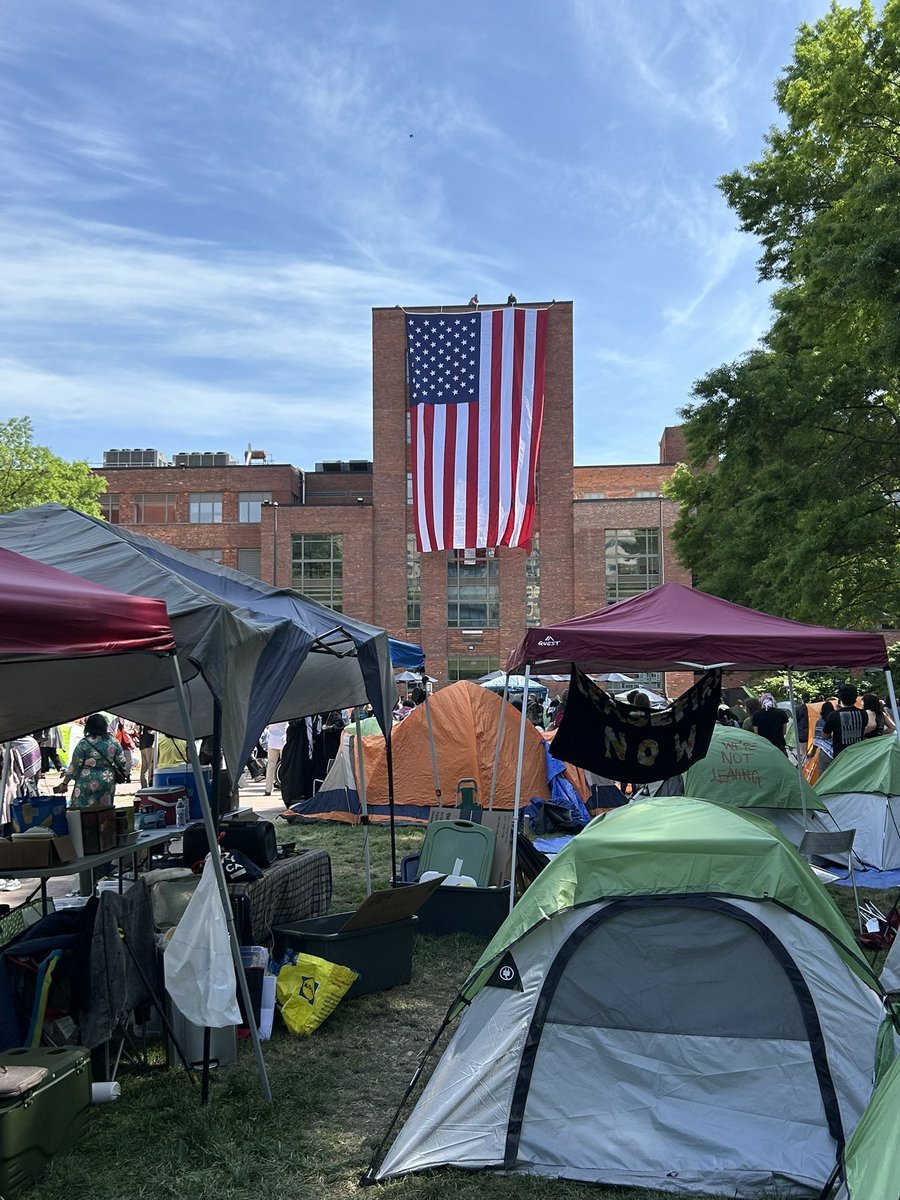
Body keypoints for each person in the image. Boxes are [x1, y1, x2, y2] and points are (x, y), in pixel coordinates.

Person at [53, 713, 128, 808]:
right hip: (107, 780)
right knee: (104, 810)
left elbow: (75, 764)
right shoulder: (113, 742)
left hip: (85, 781)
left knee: (82, 809)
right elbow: (121, 761)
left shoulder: (84, 743)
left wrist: (65, 783)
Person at [823, 685, 867, 759]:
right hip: (858, 755)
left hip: (840, 756)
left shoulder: (833, 715)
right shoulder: (863, 713)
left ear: (841, 698)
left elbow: (825, 736)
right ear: (855, 697)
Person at [264, 721, 288, 796]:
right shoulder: (284, 714)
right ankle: (286, 786)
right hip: (283, 740)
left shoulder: (271, 715)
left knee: (270, 766)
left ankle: (268, 789)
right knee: (285, 766)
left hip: (272, 741)